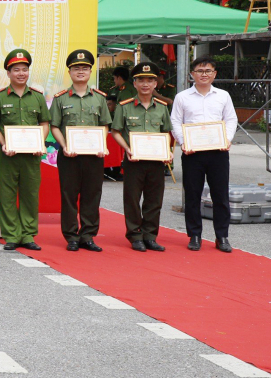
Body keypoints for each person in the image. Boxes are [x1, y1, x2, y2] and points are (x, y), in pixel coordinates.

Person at [171, 56, 237, 253]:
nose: (204, 74)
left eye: (208, 71)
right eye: (200, 71)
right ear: (192, 74)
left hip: (218, 152)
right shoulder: (182, 97)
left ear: (214, 74)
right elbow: (175, 122)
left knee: (220, 195)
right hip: (192, 153)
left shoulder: (223, 96)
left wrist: (227, 139)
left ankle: (222, 236)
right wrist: (183, 143)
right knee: (192, 194)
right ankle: (194, 235)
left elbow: (231, 119)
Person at [0, 49, 49, 251]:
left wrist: (40, 142)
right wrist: (4, 143)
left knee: (30, 194)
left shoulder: (37, 97)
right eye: (16, 70)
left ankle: (28, 235)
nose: (21, 73)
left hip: (31, 156)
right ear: (8, 73)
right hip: (8, 155)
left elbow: (44, 123)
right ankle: (12, 235)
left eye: (24, 69)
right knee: (7, 195)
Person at [49, 49, 111, 252]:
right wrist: (64, 146)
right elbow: (54, 126)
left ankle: (88, 236)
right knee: (69, 196)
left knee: (92, 195)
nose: (81, 71)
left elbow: (104, 125)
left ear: (90, 71)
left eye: (85, 68)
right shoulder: (60, 98)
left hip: (94, 155)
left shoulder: (99, 98)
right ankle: (71, 236)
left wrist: (101, 145)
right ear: (70, 72)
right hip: (69, 155)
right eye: (76, 68)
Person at [110, 62, 172, 252]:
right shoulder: (125, 107)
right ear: (135, 83)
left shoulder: (162, 107)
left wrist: (168, 151)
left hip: (156, 161)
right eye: (141, 80)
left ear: (155, 84)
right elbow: (116, 131)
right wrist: (127, 148)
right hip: (133, 160)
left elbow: (166, 132)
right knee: (132, 199)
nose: (145, 84)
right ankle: (135, 235)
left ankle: (150, 236)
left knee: (154, 200)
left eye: (150, 80)